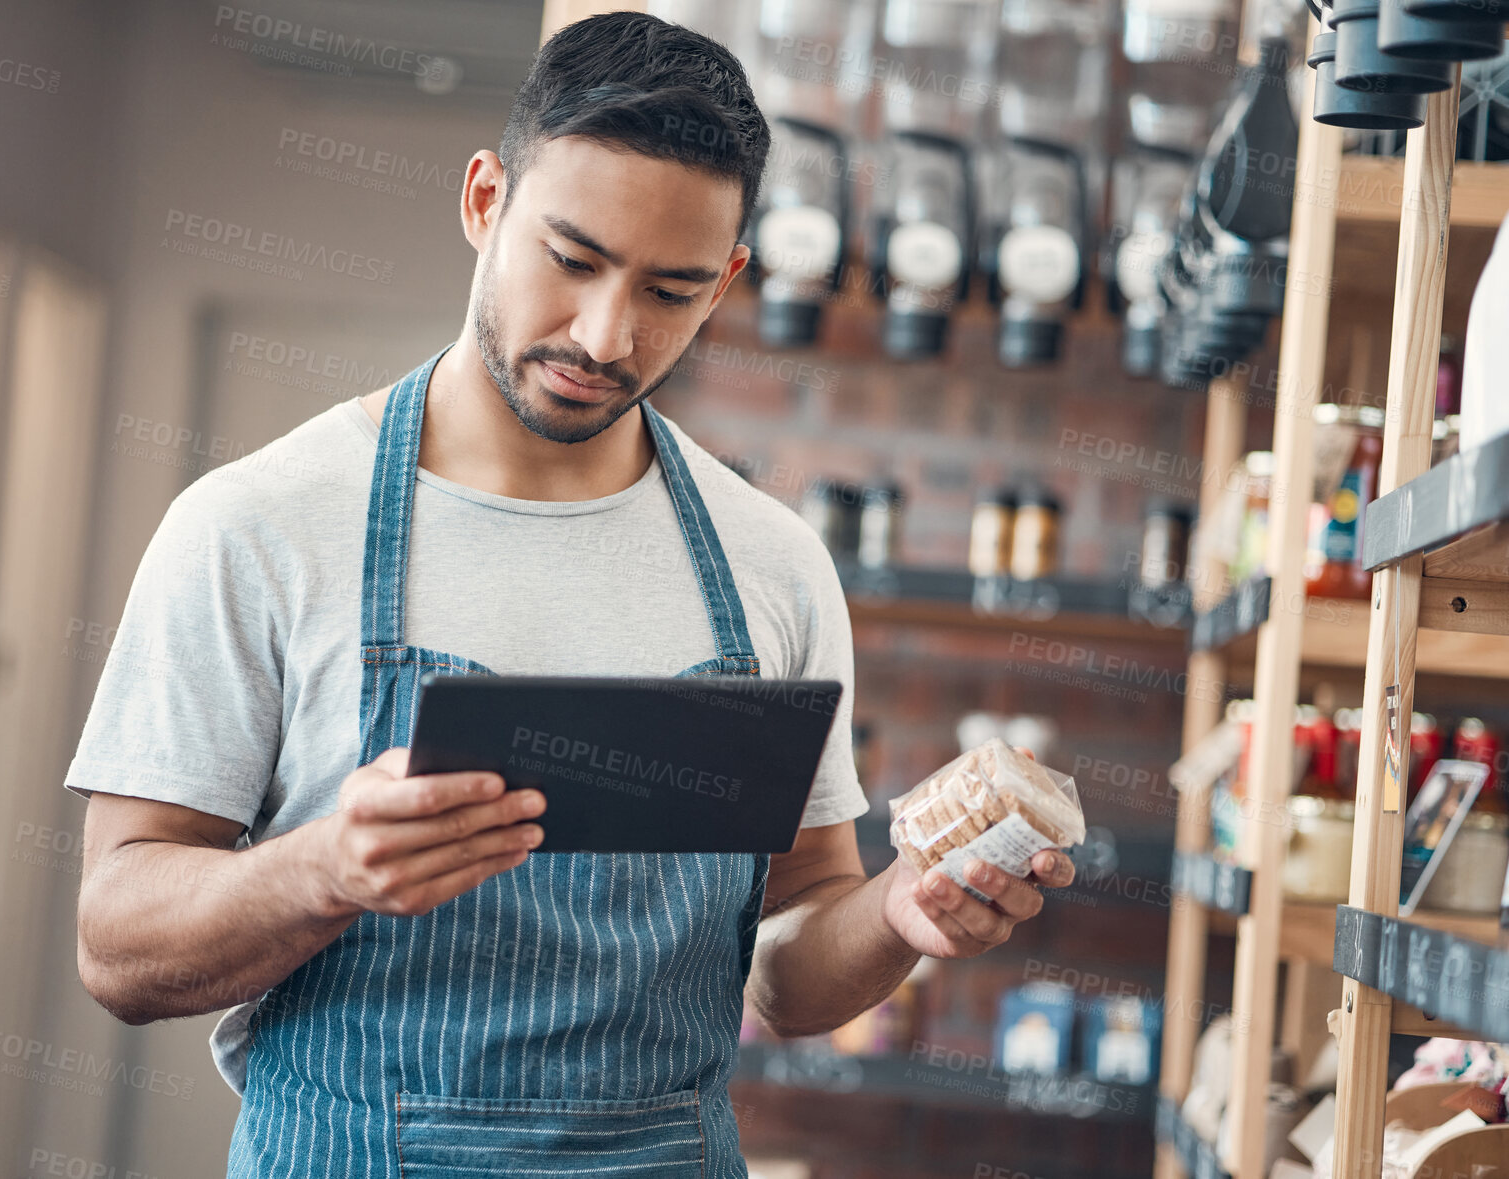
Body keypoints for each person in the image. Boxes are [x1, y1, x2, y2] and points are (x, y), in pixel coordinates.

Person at [69, 12, 1076, 1176]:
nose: (606, 335)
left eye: (672, 291)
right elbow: (116, 948)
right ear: (485, 200)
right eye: (574, 260)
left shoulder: (774, 568)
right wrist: (323, 870)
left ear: (731, 281)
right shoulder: (256, 528)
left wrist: (899, 916)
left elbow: (792, 961)